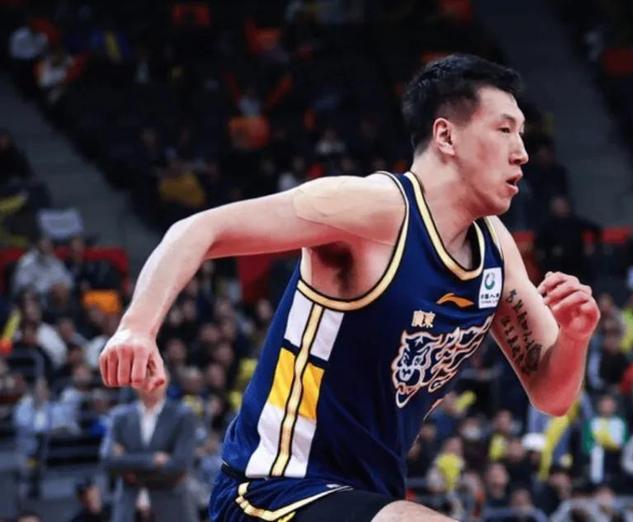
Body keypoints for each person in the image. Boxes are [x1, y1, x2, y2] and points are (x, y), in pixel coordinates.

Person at [99, 54, 600, 521]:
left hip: (366, 498)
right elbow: (199, 229)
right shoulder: (369, 209)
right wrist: (137, 327)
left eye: (523, 134)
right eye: (505, 129)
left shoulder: (496, 251)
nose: (523, 153)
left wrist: (575, 337)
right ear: (446, 136)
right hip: (271, 490)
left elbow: (551, 396)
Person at [99, 372, 199, 522]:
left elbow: (180, 465)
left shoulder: (183, 415)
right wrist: (154, 460)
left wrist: (129, 466)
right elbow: (108, 460)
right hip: (129, 507)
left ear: (166, 382)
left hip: (172, 507)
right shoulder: (119, 416)